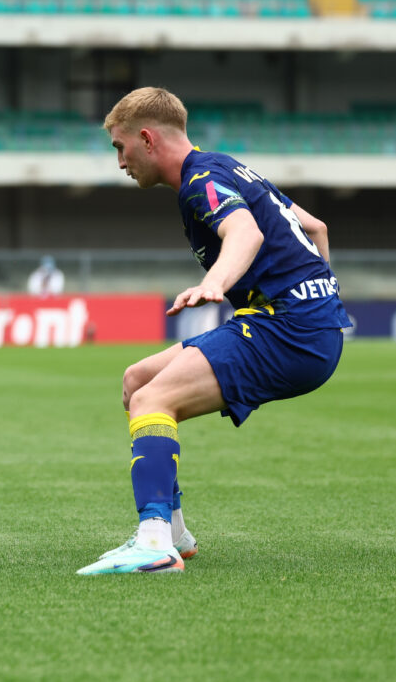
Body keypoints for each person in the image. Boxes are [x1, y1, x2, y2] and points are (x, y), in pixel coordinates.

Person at [77, 87, 350, 575]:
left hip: (287, 327)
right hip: (303, 322)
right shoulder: (225, 165)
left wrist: (214, 283)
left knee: (152, 402)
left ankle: (154, 542)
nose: (120, 162)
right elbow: (317, 228)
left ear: (146, 138)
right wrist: (324, 300)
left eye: (120, 148)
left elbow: (247, 233)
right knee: (137, 381)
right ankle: (175, 534)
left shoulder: (199, 180)